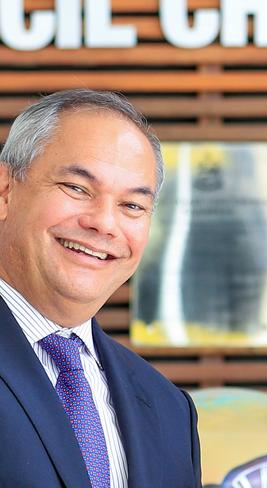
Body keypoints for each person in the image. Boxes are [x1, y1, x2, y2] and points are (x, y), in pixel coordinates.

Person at [0, 89, 201, 487]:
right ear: (6, 190)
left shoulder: (169, 409)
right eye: (77, 188)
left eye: (132, 206)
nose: (104, 224)